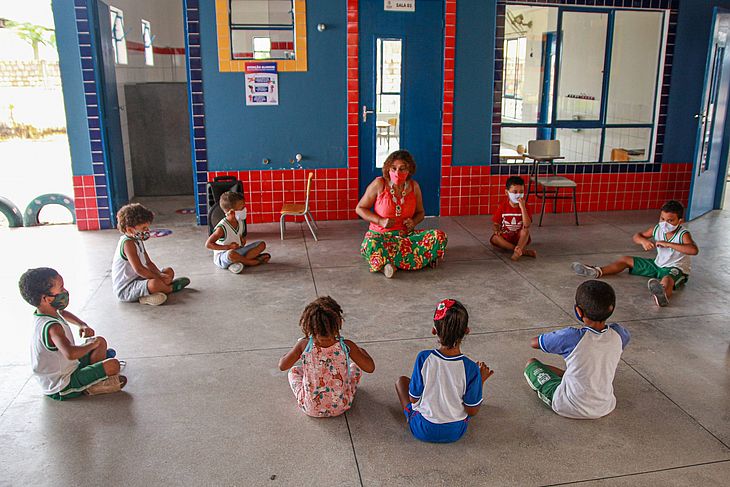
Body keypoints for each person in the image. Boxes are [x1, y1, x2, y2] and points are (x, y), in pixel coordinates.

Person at [524, 280, 630, 419]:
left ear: (578, 311)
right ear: (611, 308)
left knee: (531, 363)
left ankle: (562, 381)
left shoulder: (572, 337)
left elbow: (534, 343)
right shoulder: (620, 334)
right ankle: (569, 377)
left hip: (568, 405)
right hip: (606, 405)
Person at [19, 267, 126, 400]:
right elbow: (71, 353)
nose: (65, 291)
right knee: (112, 364)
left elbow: (63, 313)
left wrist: (82, 325)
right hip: (62, 384)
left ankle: (94, 375)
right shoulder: (53, 328)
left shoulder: (47, 312)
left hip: (69, 367)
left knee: (100, 341)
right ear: (46, 299)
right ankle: (93, 384)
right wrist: (91, 345)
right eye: (61, 288)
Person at [395, 299, 494, 443]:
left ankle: (409, 416)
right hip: (455, 432)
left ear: (434, 330)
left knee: (401, 381)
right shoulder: (471, 368)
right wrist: (479, 380)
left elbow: (413, 398)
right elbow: (471, 411)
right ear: (467, 331)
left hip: (423, 429)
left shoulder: (424, 358)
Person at [571, 200, 698, 307]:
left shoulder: (683, 234)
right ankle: (598, 271)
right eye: (662, 218)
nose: (665, 223)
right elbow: (637, 236)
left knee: (667, 279)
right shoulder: (657, 229)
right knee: (626, 259)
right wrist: (643, 241)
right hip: (657, 264)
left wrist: (669, 244)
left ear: (680, 221)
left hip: (676, 268)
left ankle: (662, 294)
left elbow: (693, 250)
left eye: (670, 221)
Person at [355, 150, 448, 278]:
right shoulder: (379, 184)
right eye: (393, 169)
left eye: (402, 169)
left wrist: (413, 222)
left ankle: (391, 264)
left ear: (409, 170)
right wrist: (380, 221)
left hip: (405, 237)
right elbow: (360, 208)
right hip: (381, 237)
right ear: (388, 169)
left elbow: (421, 213)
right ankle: (419, 260)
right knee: (371, 245)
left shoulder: (414, 187)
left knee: (438, 236)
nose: (397, 173)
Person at [278, 296, 375, 417]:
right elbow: (370, 368)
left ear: (309, 326)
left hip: (310, 409)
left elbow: (282, 366)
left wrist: (290, 353)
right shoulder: (346, 346)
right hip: (341, 406)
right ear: (338, 323)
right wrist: (362, 351)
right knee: (355, 368)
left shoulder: (303, 344)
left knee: (294, 371)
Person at [112, 203, 190, 306]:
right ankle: (171, 288)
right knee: (154, 284)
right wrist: (158, 278)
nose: (147, 231)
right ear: (130, 230)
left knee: (168, 271)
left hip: (139, 278)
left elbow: (148, 263)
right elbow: (139, 269)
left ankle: (155, 292)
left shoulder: (137, 239)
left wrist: (160, 274)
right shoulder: (128, 243)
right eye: (144, 228)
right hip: (126, 289)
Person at [205, 191, 270, 274]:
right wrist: (228, 247)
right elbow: (208, 244)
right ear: (232, 212)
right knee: (231, 254)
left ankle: (238, 263)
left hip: (238, 251)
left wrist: (242, 242)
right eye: (242, 208)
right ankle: (251, 262)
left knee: (261, 244)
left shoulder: (240, 221)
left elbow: (238, 237)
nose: (245, 210)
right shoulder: (222, 228)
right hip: (223, 256)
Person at [490, 176, 536, 261]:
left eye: (521, 192)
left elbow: (527, 225)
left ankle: (517, 252)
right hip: (506, 236)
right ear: (507, 192)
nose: (518, 195)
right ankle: (520, 250)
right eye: (515, 192)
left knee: (525, 231)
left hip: (519, 238)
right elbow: (496, 223)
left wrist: (522, 207)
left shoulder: (525, 206)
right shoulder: (502, 206)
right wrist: (497, 229)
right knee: (495, 238)